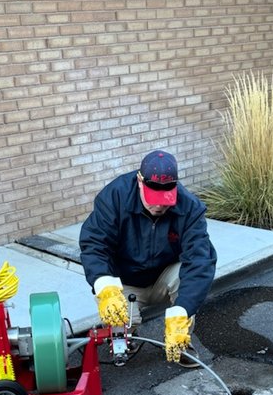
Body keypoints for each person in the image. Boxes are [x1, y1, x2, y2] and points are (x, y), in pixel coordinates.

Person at [79, 149, 217, 366]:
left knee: (187, 276)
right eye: (154, 198)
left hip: (164, 277)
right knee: (121, 319)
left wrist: (182, 312)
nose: (159, 205)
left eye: (165, 199)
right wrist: (104, 285)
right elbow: (95, 245)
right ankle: (124, 336)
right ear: (139, 181)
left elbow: (200, 261)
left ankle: (179, 339)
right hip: (125, 280)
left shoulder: (190, 208)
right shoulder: (114, 197)